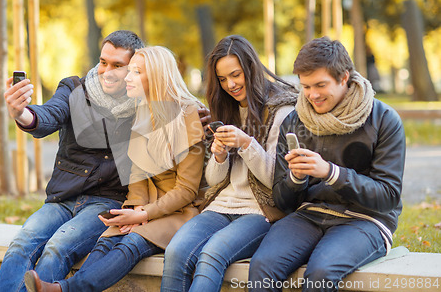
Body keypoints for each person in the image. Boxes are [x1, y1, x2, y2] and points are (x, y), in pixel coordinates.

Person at [23, 45, 206, 292]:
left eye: (135, 72)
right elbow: (137, 178)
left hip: (179, 211)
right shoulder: (139, 114)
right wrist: (133, 210)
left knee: (131, 243)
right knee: (106, 240)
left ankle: (62, 290)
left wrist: (144, 216)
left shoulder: (188, 116)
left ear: (157, 77)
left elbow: (186, 190)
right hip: (144, 206)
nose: (126, 78)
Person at [249, 36, 405, 291]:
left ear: (344, 77)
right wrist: (295, 179)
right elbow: (283, 201)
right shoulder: (295, 121)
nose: (312, 95)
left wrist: (331, 173)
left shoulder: (384, 119)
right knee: (262, 266)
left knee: (320, 272)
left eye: (320, 85)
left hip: (366, 219)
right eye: (306, 87)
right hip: (309, 215)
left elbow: (387, 196)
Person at [0, 30, 145, 292]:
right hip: (64, 196)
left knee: (56, 248)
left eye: (118, 66)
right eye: (103, 62)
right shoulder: (75, 88)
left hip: (107, 200)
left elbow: (176, 107)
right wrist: (22, 113)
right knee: (21, 243)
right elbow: (49, 115)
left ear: (134, 68)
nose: (106, 71)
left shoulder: (144, 101)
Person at [160, 35, 298, 292]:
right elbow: (215, 181)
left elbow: (277, 181)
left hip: (261, 211)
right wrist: (220, 155)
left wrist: (247, 144)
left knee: (211, 255)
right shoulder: (228, 108)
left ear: (251, 68)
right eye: (222, 79)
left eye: (235, 75)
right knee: (177, 252)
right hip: (221, 205)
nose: (230, 85)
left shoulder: (282, 111)